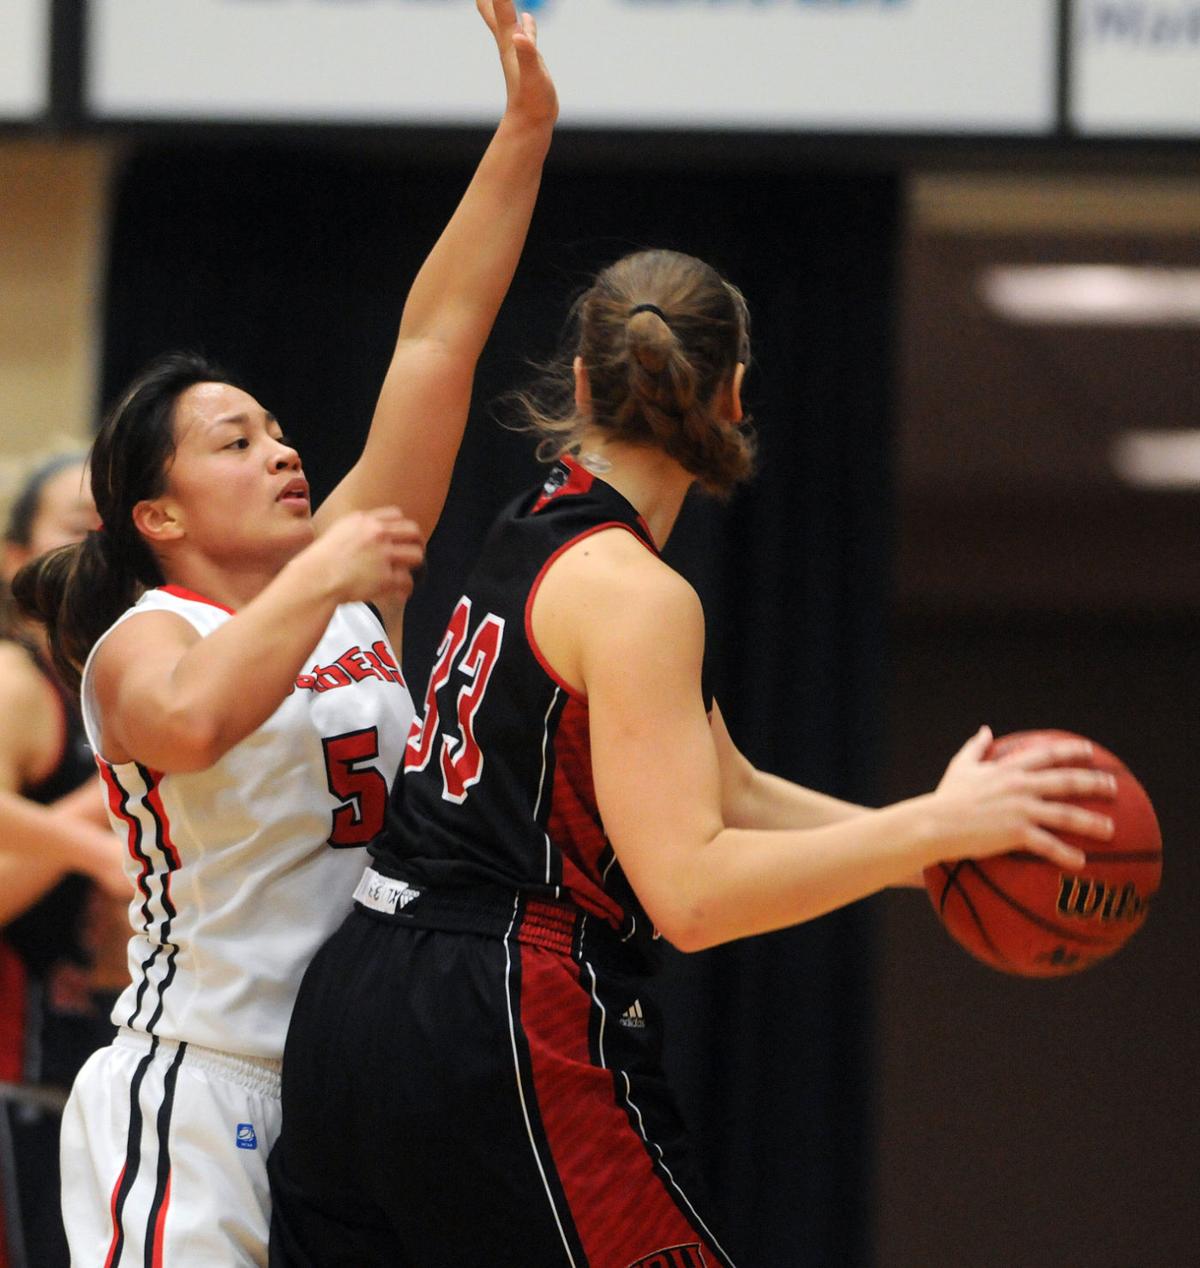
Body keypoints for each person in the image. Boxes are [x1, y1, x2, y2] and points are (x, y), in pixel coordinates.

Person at [267, 248, 1119, 1267]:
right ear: (733, 394)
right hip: (499, 1005)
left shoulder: (530, 523)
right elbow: (693, 892)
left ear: (581, 383)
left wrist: (931, 847)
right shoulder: (638, 595)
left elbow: (728, 787)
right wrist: (932, 830)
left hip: (359, 995)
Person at [12, 5, 557, 1264]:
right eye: (236, 442)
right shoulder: (143, 641)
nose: (284, 450)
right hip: (194, 1085)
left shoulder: (346, 569)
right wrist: (331, 581)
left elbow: (437, 337)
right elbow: (197, 719)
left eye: (277, 429)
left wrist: (522, 135)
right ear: (156, 512)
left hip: (353, 1096)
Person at [0, 452, 130, 1268]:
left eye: (107, 530)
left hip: (101, 1054)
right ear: (17, 561)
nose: (94, 548)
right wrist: (91, 831)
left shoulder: (131, 668)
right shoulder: (17, 683)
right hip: (21, 1065)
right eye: (71, 528)